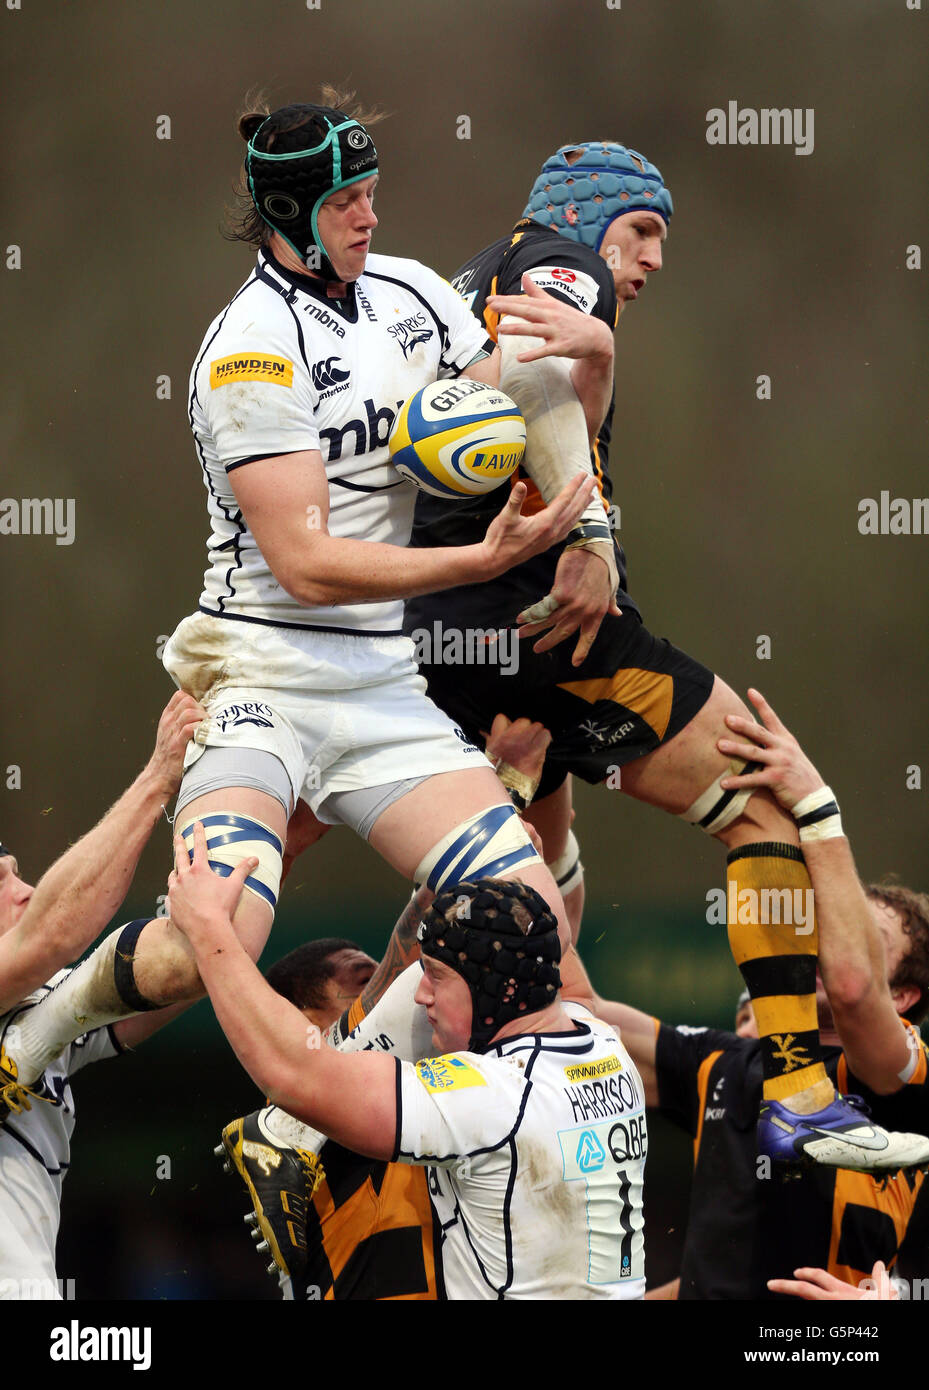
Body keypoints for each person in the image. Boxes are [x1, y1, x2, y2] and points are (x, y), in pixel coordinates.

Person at [0, 92, 608, 1092]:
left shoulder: (411, 294)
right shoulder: (247, 350)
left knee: (526, 921)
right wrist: (480, 560)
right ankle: (35, 1034)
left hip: (380, 688)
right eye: (344, 202)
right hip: (260, 683)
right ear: (287, 215)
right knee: (213, 936)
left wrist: (582, 500)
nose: (369, 216)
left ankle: (315, 1113)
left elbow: (522, 386)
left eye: (372, 193)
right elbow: (307, 565)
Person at [404, 141, 889, 1161]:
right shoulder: (559, 258)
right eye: (644, 231)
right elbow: (538, 370)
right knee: (761, 803)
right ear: (588, 214)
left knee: (517, 889)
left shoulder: (464, 279)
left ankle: (399, 1098)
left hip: (443, 634)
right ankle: (799, 1086)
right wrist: (584, 541)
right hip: (540, 613)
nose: (653, 260)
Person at [171, 826, 648, 1300]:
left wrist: (209, 927)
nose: (419, 996)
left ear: (493, 988)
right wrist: (513, 873)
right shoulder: (604, 1046)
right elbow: (550, 964)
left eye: (437, 976)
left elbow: (299, 1071)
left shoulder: (487, 1095)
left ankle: (285, 1128)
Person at [595, 690, 929, 1297]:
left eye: (864, 935)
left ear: (904, 998)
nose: (832, 940)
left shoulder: (908, 1082)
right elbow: (573, 1014)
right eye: (825, 920)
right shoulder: (724, 1063)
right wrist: (537, 803)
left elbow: (854, 990)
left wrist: (816, 810)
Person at [0, 692, 202, 1299]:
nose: (26, 890)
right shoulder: (42, 972)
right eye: (1, 883)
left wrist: (272, 854)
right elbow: (55, 934)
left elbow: (187, 970)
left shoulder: (39, 998)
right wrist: (158, 777)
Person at [223, 927, 445, 1300]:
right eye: (363, 981)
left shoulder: (427, 1086)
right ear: (303, 1023)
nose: (388, 997)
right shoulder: (298, 1108)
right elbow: (438, 933)